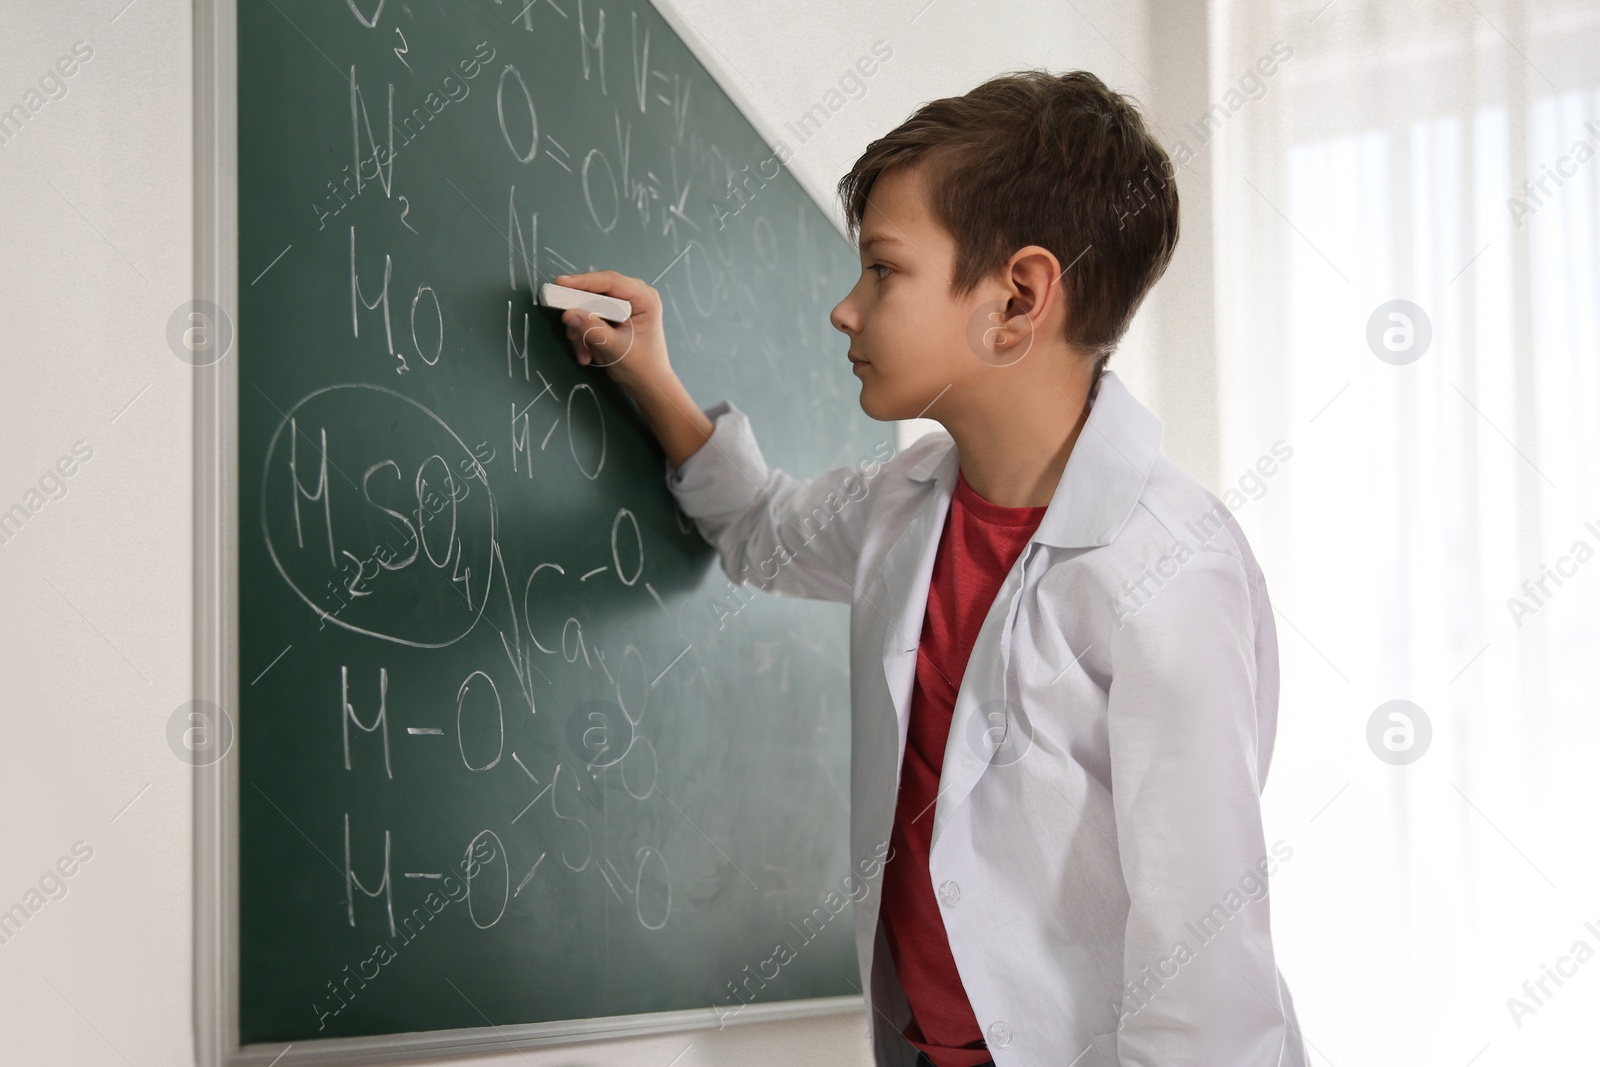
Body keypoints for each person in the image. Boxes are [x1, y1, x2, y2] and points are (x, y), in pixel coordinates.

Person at [552, 69, 1306, 1067]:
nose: (844, 309)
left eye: (881, 270)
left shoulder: (1168, 569)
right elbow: (760, 528)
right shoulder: (907, 500)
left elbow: (1205, 981)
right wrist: (646, 369)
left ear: (1016, 298)